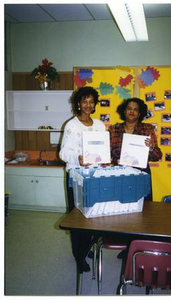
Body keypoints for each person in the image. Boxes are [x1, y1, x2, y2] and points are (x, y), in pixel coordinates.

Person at [59, 86, 106, 272]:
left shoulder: (100, 125)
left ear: (95, 104)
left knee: (93, 218)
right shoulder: (71, 125)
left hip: (94, 178)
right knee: (78, 219)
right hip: (77, 177)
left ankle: (86, 248)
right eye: (84, 101)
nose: (88, 105)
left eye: (91, 101)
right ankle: (79, 256)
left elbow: (103, 149)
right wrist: (77, 158)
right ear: (78, 103)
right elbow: (63, 153)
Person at [108, 97, 162, 201]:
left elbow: (158, 156)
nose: (132, 111)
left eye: (135, 109)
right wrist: (115, 161)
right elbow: (108, 154)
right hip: (120, 172)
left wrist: (152, 147)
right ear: (124, 111)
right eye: (129, 108)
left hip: (141, 173)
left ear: (139, 113)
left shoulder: (147, 129)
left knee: (144, 206)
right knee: (120, 204)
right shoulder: (114, 129)